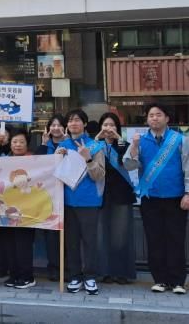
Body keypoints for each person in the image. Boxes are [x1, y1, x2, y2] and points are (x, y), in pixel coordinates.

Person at [124, 103, 189, 294]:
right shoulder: (141, 141)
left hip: (176, 197)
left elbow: (188, 168)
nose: (154, 118)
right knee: (154, 239)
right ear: (147, 120)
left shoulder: (180, 140)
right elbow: (129, 166)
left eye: (158, 114)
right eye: (151, 115)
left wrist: (188, 193)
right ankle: (160, 280)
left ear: (167, 118)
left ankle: (177, 281)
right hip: (150, 199)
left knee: (176, 239)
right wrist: (134, 146)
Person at [55, 109, 105, 295]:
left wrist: (88, 158)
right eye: (70, 120)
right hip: (67, 201)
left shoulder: (95, 146)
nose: (73, 123)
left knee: (90, 241)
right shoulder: (62, 146)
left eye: (77, 120)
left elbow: (99, 175)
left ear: (84, 124)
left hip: (89, 201)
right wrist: (57, 158)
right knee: (72, 241)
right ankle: (75, 276)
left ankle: (90, 277)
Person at [94, 112, 136, 284]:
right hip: (100, 195)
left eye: (112, 125)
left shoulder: (124, 144)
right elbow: (88, 158)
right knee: (101, 236)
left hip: (121, 195)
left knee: (120, 237)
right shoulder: (96, 145)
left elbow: (127, 161)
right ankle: (104, 272)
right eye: (105, 125)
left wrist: (119, 139)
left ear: (117, 128)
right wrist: (97, 139)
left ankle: (122, 273)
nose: (108, 128)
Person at [2, 128, 37, 290]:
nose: (17, 145)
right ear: (9, 144)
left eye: (21, 142)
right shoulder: (4, 160)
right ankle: (14, 275)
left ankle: (27, 277)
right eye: (14, 141)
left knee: (24, 245)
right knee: (9, 244)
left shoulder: (35, 160)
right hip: (8, 210)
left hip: (27, 211)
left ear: (27, 144)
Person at [35, 114, 67, 281]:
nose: (56, 128)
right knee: (51, 235)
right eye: (52, 125)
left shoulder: (71, 145)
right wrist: (43, 143)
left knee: (68, 236)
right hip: (48, 197)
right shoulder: (43, 147)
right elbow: (36, 166)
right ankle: (54, 268)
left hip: (68, 195)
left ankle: (68, 268)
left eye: (59, 125)